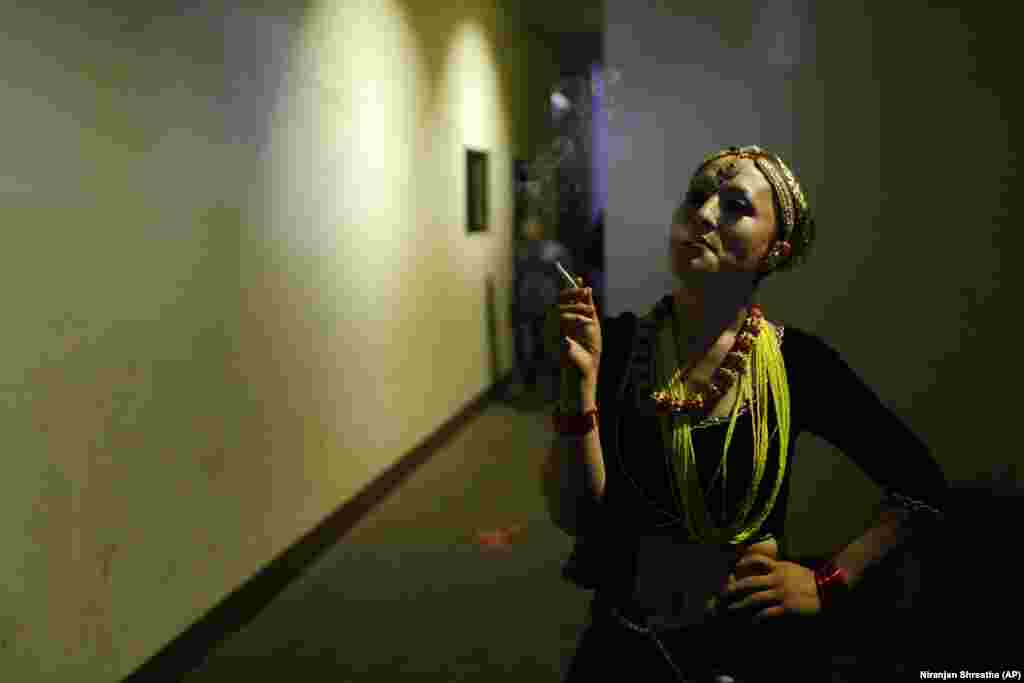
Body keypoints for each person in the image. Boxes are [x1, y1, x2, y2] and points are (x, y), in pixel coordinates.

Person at [541, 146, 947, 682]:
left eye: (735, 206)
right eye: (695, 198)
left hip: (746, 646)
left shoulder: (797, 364)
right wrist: (579, 388)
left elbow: (922, 488)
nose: (704, 215)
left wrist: (827, 581)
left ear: (774, 251)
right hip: (628, 640)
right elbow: (577, 517)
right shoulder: (615, 345)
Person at [514, 216, 573, 397]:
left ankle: (554, 387)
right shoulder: (521, 251)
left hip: (549, 303)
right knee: (528, 347)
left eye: (532, 229)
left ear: (540, 230)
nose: (529, 232)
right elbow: (518, 278)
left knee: (550, 345)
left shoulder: (555, 251)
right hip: (526, 304)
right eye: (526, 229)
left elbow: (567, 276)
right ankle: (530, 386)